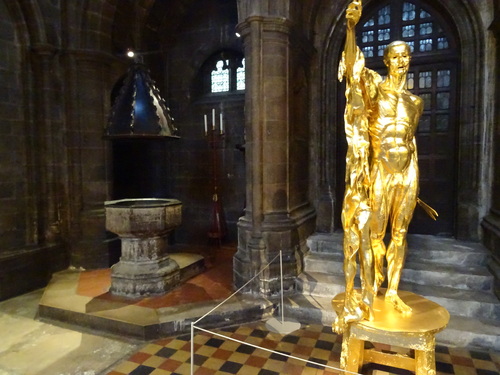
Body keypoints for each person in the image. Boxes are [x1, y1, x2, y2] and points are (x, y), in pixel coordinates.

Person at [334, 0, 437, 333]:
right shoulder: (375, 88)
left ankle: (391, 291)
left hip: (407, 172)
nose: (402, 61)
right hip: (380, 168)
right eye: (396, 56)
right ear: (386, 60)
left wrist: (417, 185)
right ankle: (372, 289)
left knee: (401, 233)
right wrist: (350, 29)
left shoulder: (415, 102)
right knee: (375, 234)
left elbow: (411, 141)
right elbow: (351, 69)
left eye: (406, 56)